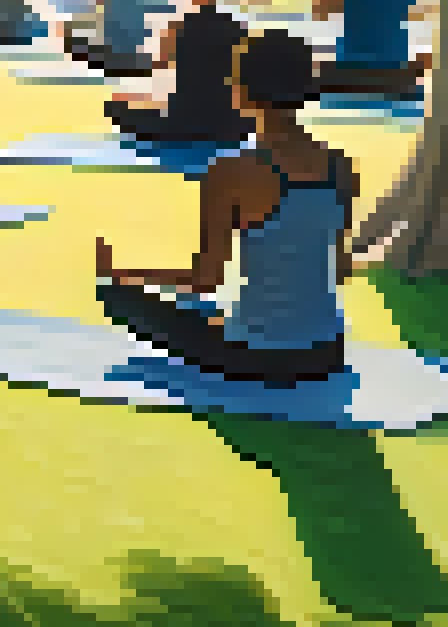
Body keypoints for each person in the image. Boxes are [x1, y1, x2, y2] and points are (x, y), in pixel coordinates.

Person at [95, 30, 357, 385]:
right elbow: (340, 269)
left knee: (120, 298)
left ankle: (119, 287)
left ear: (241, 92)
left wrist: (127, 274)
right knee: (214, 314)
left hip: (256, 357)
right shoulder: (341, 166)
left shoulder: (230, 171)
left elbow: (205, 280)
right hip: (327, 352)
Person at [105, 0, 253, 145]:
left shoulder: (179, 27)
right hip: (223, 118)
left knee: (115, 107)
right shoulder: (237, 30)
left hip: (183, 118)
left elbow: (159, 63)